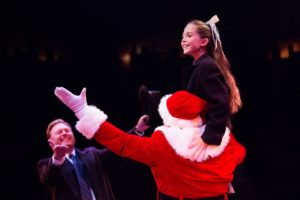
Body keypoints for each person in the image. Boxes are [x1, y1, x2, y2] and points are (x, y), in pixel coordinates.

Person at [54, 86, 246, 200]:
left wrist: (82, 110)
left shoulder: (163, 144)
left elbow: (122, 143)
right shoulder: (225, 142)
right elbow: (240, 154)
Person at [37, 117, 150, 200]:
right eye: (59, 132)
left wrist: (137, 130)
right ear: (51, 143)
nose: (64, 133)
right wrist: (58, 159)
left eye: (67, 131)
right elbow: (49, 179)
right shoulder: (46, 165)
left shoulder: (92, 154)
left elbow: (117, 151)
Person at [180, 15, 242, 147]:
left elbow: (220, 104)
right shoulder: (200, 66)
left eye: (189, 36)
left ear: (203, 42)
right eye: (183, 36)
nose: (183, 40)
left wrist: (207, 138)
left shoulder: (207, 66)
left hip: (207, 138)